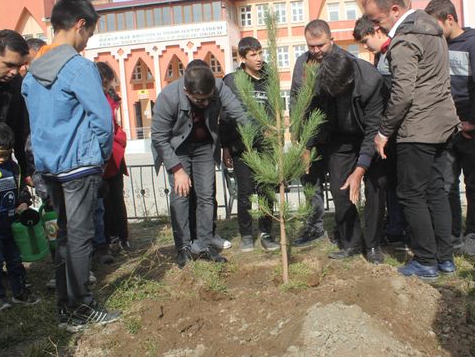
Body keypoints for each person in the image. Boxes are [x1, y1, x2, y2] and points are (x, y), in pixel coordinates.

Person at [22, 0, 119, 331]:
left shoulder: (31, 74)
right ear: (80, 25)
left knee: (65, 236)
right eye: (88, 35)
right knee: (79, 238)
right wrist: (100, 156)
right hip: (79, 167)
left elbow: (34, 123)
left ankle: (66, 307)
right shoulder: (80, 68)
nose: (86, 42)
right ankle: (81, 307)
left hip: (49, 168)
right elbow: (103, 120)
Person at [363, 0, 459, 280]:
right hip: (443, 123)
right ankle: (445, 258)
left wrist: (383, 132)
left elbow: (402, 94)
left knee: (410, 194)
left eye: (377, 19)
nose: (376, 27)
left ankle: (426, 260)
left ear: (394, 10)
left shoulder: (405, 39)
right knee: (435, 191)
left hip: (418, 128)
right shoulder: (432, 30)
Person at [151, 60, 248, 268]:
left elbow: (238, 112)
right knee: (181, 194)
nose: (205, 104)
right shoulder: (168, 97)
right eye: (199, 100)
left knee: (206, 195)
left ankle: (203, 245)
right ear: (186, 91)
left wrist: (262, 132)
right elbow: (158, 138)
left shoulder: (219, 87)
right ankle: (183, 248)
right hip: (177, 148)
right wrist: (177, 170)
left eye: (208, 99)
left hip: (204, 146)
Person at [425, 0, 475, 256]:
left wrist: (473, 121)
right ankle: (453, 232)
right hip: (448, 126)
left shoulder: (473, 44)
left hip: (471, 126)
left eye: (436, 26)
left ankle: (472, 234)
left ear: (450, 19)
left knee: (474, 183)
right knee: (447, 183)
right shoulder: (439, 46)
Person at [317, 52, 387, 264]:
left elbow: (374, 128)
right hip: (340, 138)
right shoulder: (322, 79)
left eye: (338, 89)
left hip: (370, 136)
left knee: (376, 186)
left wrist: (360, 170)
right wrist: (309, 145)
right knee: (339, 186)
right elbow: (315, 115)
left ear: (349, 80)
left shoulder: (371, 81)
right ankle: (351, 242)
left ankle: (374, 244)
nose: (333, 93)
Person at [290, 19, 354, 248]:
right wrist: (296, 131)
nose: (316, 51)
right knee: (310, 182)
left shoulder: (343, 60)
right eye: (311, 46)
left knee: (340, 186)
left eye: (320, 45)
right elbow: (296, 97)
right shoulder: (301, 63)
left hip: (338, 136)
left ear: (331, 39)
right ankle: (314, 227)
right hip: (310, 136)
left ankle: (344, 229)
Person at [352, 16, 407, 249]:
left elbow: (399, 92)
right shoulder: (379, 56)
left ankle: (398, 229)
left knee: (398, 184)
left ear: (377, 31)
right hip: (386, 128)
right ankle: (393, 226)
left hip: (397, 128)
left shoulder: (396, 50)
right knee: (387, 183)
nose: (365, 47)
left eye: (366, 41)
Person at [221, 37, 279, 253]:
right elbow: (226, 116)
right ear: (242, 58)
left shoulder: (268, 78)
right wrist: (225, 147)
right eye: (253, 55)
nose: (259, 59)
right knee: (245, 192)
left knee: (266, 189)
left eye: (260, 53)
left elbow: (274, 111)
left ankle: (266, 233)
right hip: (241, 145)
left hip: (265, 146)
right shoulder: (232, 81)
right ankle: (246, 234)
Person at [0, 122, 39, 312]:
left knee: (16, 260)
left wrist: (24, 203)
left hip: (11, 226)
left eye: (6, 155)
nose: (2, 160)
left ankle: (20, 292)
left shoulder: (14, 169)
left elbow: (21, 191)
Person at [96, 61, 131, 252]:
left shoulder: (109, 99)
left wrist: (119, 141)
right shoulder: (94, 97)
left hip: (112, 156)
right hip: (99, 156)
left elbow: (112, 127)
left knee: (115, 198)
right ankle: (108, 237)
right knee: (103, 200)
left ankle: (122, 236)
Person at [0, 30, 31, 180]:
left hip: (1, 168)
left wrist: (26, 171)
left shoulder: (16, 83)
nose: (14, 72)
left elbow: (21, 131)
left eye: (18, 66)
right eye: (9, 65)